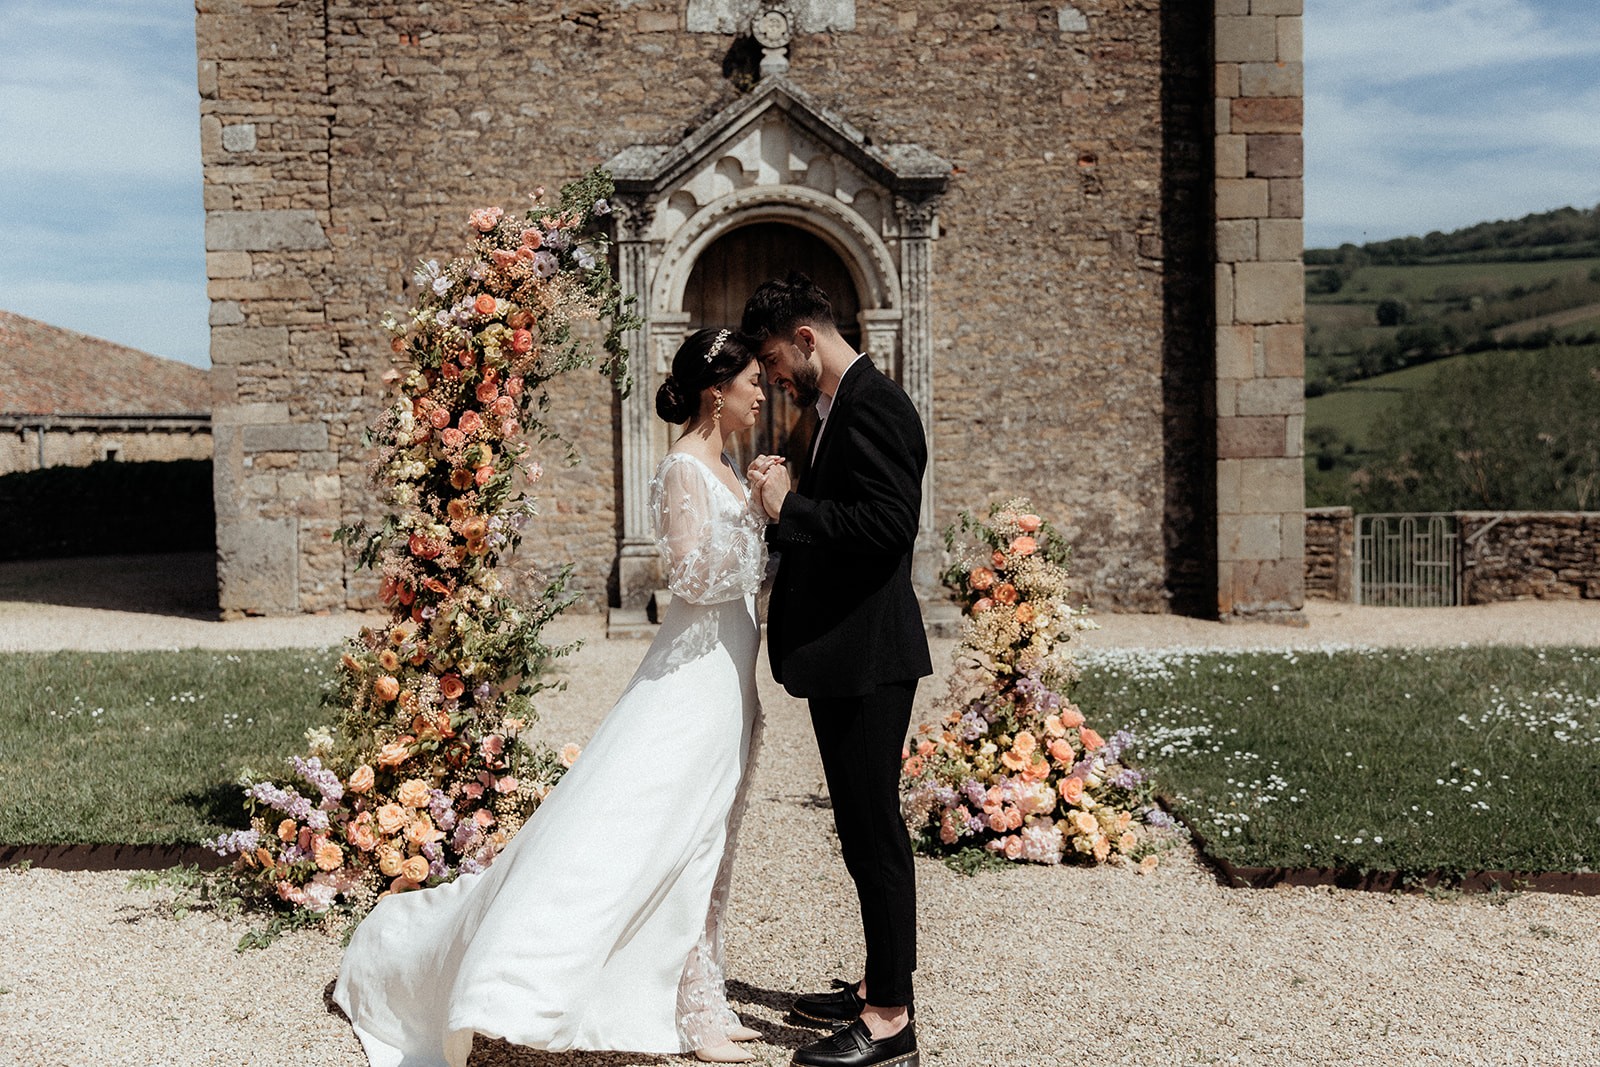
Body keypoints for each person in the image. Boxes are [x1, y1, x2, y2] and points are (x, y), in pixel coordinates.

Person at [334, 327, 772, 1067]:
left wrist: (758, 502)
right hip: (692, 677)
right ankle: (516, 977)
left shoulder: (730, 464)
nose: (762, 392)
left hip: (733, 668)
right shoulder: (682, 469)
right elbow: (691, 580)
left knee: (709, 838)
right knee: (655, 830)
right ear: (716, 390)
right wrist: (763, 513)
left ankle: (702, 997)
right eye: (752, 380)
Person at [742, 274, 931, 1067]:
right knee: (858, 829)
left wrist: (793, 508)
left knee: (874, 831)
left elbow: (890, 526)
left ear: (808, 339)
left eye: (775, 359)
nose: (774, 376)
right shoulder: (831, 409)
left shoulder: (876, 404)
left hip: (870, 657)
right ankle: (873, 987)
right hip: (842, 655)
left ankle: (889, 1018)